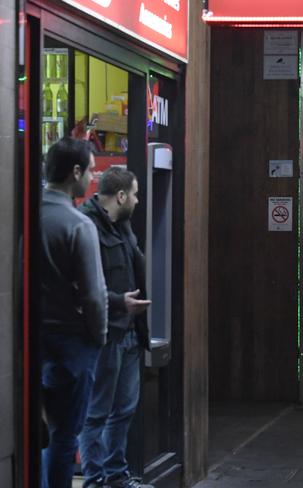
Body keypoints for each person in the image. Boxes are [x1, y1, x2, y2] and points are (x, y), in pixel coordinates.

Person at [78, 167, 153, 488]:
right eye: (134, 194)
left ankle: (116, 476)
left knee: (124, 409)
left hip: (130, 333)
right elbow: (81, 287)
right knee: (96, 413)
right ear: (121, 196)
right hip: (105, 335)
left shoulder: (123, 227)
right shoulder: (87, 226)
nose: (136, 200)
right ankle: (94, 479)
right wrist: (120, 303)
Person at [40, 137, 108, 488]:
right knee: (65, 436)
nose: (93, 178)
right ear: (75, 172)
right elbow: (94, 296)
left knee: (36, 433)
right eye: (92, 170)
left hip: (31, 341)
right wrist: (98, 338)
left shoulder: (24, 214)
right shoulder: (78, 225)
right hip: (71, 345)